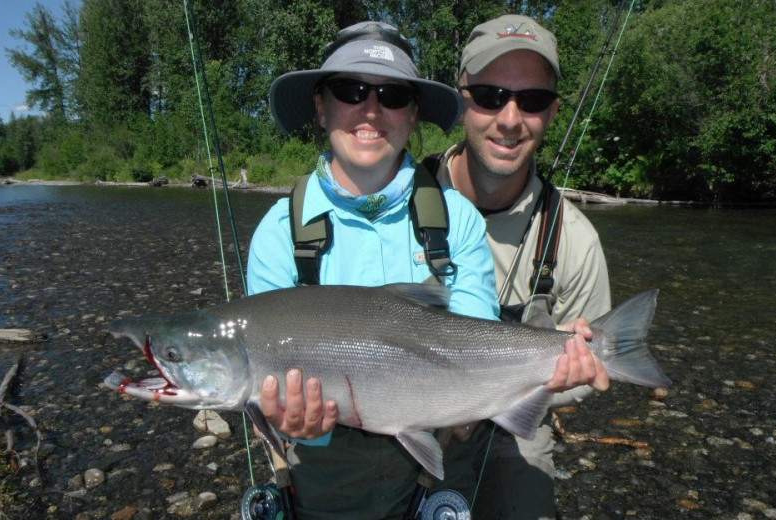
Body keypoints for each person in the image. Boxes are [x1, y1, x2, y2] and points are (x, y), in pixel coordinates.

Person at [247, 20, 607, 520]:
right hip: (326, 471)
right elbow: (271, 402)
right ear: (320, 104)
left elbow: (475, 332)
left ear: (413, 114)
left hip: (438, 440)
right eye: (350, 90)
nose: (371, 110)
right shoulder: (277, 232)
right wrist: (297, 423)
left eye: (393, 95)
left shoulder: (454, 217)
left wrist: (557, 360)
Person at [431, 14, 613, 520]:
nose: (510, 119)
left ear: (552, 112)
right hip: (399, 404)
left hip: (511, 425)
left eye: (531, 100)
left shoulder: (574, 240)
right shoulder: (396, 201)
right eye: (490, 95)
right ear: (461, 98)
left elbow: (578, 380)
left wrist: (567, 375)